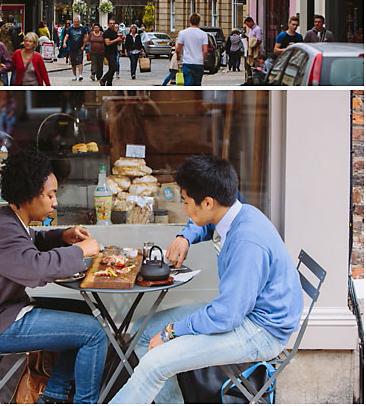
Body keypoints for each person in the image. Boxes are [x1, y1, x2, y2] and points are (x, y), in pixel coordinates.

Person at [110, 155, 303, 404]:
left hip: (259, 329)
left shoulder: (247, 242)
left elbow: (227, 315)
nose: (185, 210)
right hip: (242, 311)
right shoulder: (238, 211)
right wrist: (185, 236)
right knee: (142, 331)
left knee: (155, 363)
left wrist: (172, 331)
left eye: (186, 202)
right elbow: (206, 224)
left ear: (208, 202)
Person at [0, 148, 107, 404]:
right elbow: (35, 270)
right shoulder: (4, 231)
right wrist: (79, 251)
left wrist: (61, 236)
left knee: (86, 312)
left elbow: (31, 241)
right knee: (94, 333)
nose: (55, 202)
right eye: (50, 195)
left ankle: (54, 396)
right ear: (29, 196)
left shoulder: (9, 220)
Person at [175, 13, 208, 86]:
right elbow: (205, 51)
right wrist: (202, 60)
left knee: (188, 84)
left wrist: (178, 57)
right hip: (198, 63)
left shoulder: (183, 33)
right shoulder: (203, 34)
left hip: (187, 62)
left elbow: (178, 49)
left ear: (189, 21)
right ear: (199, 22)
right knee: (197, 85)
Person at [63, 17, 89, 81]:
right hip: (72, 47)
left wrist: (83, 46)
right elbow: (66, 36)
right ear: (73, 22)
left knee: (80, 61)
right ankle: (74, 75)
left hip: (80, 47)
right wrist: (64, 43)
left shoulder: (82, 29)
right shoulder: (70, 29)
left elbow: (86, 37)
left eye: (77, 22)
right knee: (73, 62)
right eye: (75, 22)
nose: (76, 23)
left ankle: (80, 75)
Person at [100, 18, 122, 86]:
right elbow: (108, 43)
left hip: (114, 52)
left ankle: (109, 82)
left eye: (113, 23)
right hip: (108, 52)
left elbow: (118, 43)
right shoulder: (107, 33)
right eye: (111, 23)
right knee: (114, 67)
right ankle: (103, 79)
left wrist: (119, 40)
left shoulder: (115, 32)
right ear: (108, 24)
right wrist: (117, 39)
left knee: (111, 67)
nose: (112, 25)